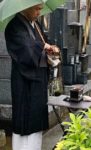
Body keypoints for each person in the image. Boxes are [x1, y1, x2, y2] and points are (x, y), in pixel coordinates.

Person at [5, 3, 59, 150]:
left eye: (40, 9)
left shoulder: (35, 25)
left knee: (36, 127)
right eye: (36, 9)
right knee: (25, 127)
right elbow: (26, 51)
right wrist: (43, 47)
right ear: (25, 7)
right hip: (24, 83)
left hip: (37, 83)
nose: (38, 12)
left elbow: (42, 42)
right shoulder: (14, 26)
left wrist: (51, 48)